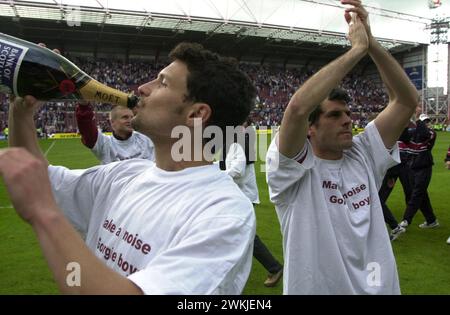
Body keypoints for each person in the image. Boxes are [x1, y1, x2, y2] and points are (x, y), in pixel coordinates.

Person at [0, 42, 257, 294]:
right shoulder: (126, 173)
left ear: (196, 115)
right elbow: (43, 181)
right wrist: (21, 112)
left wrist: (44, 214)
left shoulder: (224, 212)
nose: (143, 88)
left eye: (162, 82)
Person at [266, 0, 419, 294]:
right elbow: (297, 108)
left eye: (348, 114)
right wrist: (356, 51)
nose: (348, 121)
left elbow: (405, 101)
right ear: (310, 128)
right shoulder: (290, 170)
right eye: (335, 115)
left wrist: (371, 43)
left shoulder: (362, 153)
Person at [221, 121, 283, 287]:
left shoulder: (239, 143)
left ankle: (274, 267)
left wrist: (218, 175)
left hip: (244, 197)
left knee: (245, 236)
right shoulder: (233, 142)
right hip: (238, 196)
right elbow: (226, 166)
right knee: (237, 235)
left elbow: (238, 171)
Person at [75, 102, 155, 164]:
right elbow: (87, 130)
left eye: (132, 117)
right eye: (125, 117)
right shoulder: (104, 143)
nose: (130, 120)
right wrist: (83, 106)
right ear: (112, 122)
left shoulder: (146, 139)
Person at [399, 113, 439, 229]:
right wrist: (405, 124)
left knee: (417, 194)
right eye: (424, 121)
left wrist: (418, 120)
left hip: (424, 167)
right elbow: (403, 137)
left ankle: (406, 220)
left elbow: (424, 134)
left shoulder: (431, 133)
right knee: (421, 195)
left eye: (427, 121)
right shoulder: (413, 132)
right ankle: (431, 220)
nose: (427, 123)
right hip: (412, 167)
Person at [378, 126, 413, 241]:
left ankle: (394, 227)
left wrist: (391, 176)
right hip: (388, 173)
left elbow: (390, 159)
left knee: (377, 202)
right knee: (377, 202)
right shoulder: (389, 137)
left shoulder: (388, 138)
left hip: (388, 173)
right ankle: (392, 227)